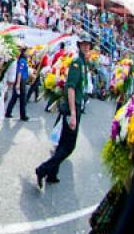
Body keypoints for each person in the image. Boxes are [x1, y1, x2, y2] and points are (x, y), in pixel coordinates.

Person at [35, 34, 93, 188]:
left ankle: (52, 173)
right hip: (71, 109)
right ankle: (43, 169)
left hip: (74, 107)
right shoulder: (76, 63)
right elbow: (71, 88)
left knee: (62, 142)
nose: (86, 47)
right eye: (84, 44)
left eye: (88, 45)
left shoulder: (83, 63)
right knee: (69, 146)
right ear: (80, 45)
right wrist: (73, 113)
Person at [5, 45, 30, 121]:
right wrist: (18, 83)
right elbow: (19, 72)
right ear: (24, 52)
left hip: (21, 80)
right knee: (23, 99)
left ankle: (8, 112)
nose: (28, 53)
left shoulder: (22, 60)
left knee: (14, 98)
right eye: (27, 51)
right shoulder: (22, 60)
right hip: (21, 81)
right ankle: (23, 115)